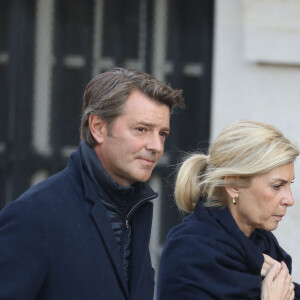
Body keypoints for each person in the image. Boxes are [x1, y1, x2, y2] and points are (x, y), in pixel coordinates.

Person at [0, 67, 185, 299]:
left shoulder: (135, 210)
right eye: (141, 129)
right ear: (98, 127)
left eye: (162, 134)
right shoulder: (34, 214)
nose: (156, 146)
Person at [157, 120, 300, 300]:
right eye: (277, 186)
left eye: (290, 184)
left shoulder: (264, 247)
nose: (290, 200)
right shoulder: (189, 253)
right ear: (233, 185)